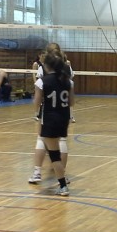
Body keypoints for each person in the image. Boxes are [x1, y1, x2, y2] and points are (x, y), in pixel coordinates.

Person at [29, 44, 74, 183]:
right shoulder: (67, 68)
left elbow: (37, 99)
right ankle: (62, 174)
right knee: (62, 141)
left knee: (41, 140)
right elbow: (71, 100)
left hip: (48, 112)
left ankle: (37, 172)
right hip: (64, 113)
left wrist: (36, 111)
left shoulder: (44, 71)